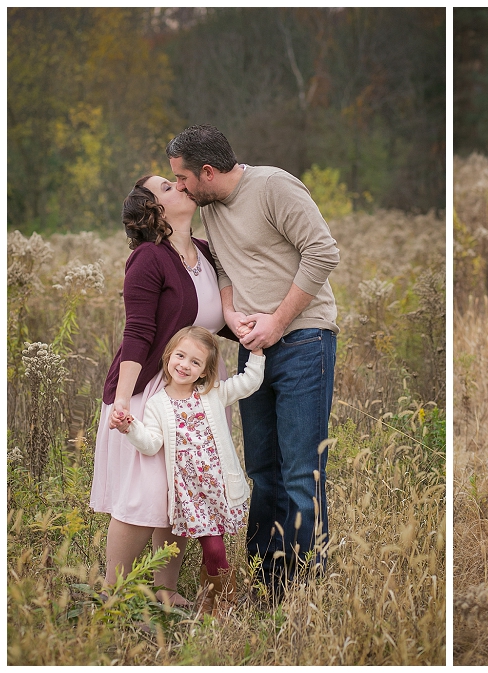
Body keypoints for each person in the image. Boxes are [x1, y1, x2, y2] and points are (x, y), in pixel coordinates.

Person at [166, 124, 340, 596]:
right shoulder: (212, 209)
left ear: (206, 171)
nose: (179, 188)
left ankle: (307, 591)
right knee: (262, 471)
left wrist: (278, 321)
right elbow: (223, 265)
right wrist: (229, 309)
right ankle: (268, 587)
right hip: (254, 348)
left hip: (304, 340)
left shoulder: (273, 186)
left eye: (181, 178)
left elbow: (323, 252)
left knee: (301, 471)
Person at [90, 175, 235, 607]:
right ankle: (113, 595)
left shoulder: (206, 252)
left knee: (181, 490)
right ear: (155, 210)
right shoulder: (148, 259)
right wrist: (123, 402)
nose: (179, 186)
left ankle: (164, 591)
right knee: (144, 494)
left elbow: (216, 319)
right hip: (151, 391)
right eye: (167, 188)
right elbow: (138, 331)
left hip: (197, 390)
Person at [119, 326, 264, 616]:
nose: (185, 365)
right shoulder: (157, 404)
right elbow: (151, 444)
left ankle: (219, 606)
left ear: (204, 371)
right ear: (169, 355)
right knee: (212, 549)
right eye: (180, 356)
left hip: (216, 490)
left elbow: (249, 382)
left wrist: (257, 352)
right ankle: (217, 602)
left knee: (213, 550)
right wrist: (130, 427)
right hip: (189, 495)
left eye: (195, 362)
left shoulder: (212, 393)